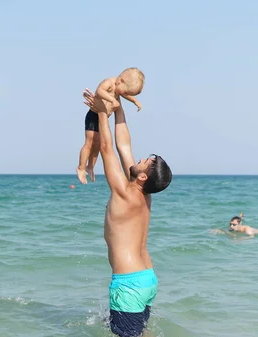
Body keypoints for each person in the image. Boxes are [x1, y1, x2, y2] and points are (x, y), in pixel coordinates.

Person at [83, 88, 171, 337]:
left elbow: (108, 149)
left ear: (143, 176)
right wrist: (118, 106)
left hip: (130, 283)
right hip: (146, 279)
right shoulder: (145, 194)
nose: (140, 158)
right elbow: (124, 143)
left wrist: (102, 113)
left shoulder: (123, 191)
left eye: (145, 162)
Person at [76, 67, 145, 184]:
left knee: (98, 144)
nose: (125, 95)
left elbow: (123, 94)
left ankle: (90, 167)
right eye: (126, 92)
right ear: (121, 81)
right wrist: (112, 100)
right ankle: (81, 168)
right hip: (93, 115)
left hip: (103, 117)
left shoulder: (119, 87)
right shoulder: (109, 83)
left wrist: (134, 101)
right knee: (90, 142)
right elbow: (99, 91)